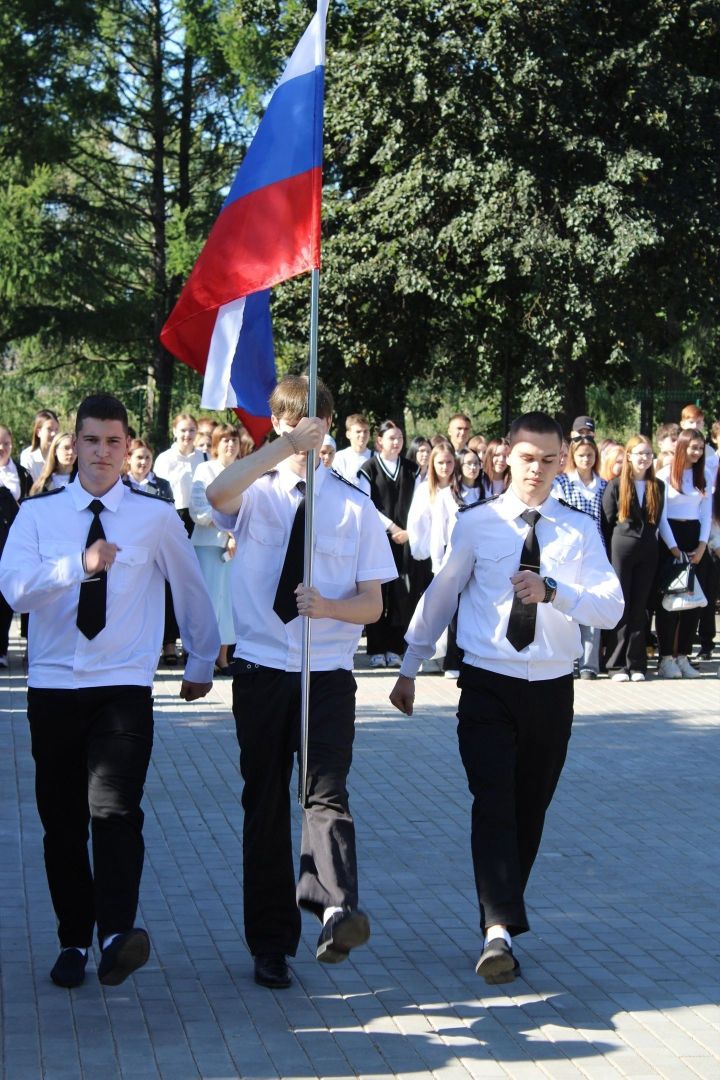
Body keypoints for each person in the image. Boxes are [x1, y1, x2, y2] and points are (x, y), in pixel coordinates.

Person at [389, 412, 622, 985]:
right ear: (505, 457)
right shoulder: (478, 524)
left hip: (551, 688)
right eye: (526, 458)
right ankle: (497, 929)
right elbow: (440, 596)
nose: (537, 470)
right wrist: (410, 667)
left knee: (529, 808)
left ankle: (501, 915)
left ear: (562, 460)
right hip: (487, 683)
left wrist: (557, 592)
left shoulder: (577, 528)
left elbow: (612, 607)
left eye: (548, 460)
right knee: (492, 799)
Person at [0, 394, 219, 990]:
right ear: (74, 444)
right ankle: (75, 938)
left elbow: (191, 589)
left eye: (114, 442)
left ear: (128, 448)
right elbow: (15, 590)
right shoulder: (38, 514)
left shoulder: (154, 516)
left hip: (122, 686)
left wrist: (202, 656)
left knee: (114, 809)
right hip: (52, 687)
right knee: (63, 822)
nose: (102, 452)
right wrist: (80, 563)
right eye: (91, 441)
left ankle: (118, 933)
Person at [206, 374, 396, 991]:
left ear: (329, 428)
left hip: (328, 673)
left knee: (325, 794)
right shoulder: (257, 492)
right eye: (289, 424)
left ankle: (336, 907)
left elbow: (373, 605)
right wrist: (281, 449)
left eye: (310, 423)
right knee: (264, 806)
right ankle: (270, 943)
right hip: (263, 669)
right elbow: (216, 491)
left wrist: (329, 608)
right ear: (280, 427)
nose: (301, 432)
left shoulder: (354, 503)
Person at [601, 436, 665, 681]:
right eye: (639, 453)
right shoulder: (616, 485)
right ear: (628, 456)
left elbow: (657, 520)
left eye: (648, 453)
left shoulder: (657, 486)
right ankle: (616, 665)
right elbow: (607, 521)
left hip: (648, 550)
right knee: (621, 605)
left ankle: (636, 663)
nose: (644, 458)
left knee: (640, 608)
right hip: (621, 550)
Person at [359, 420, 418, 668]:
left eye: (400, 438)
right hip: (379, 538)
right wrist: (392, 527)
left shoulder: (412, 468)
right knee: (378, 592)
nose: (397, 442)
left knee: (400, 594)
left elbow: (420, 503)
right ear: (379, 441)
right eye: (391, 438)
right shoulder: (368, 468)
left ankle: (395, 647)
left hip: (406, 539)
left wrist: (409, 531)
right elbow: (367, 502)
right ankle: (376, 647)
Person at [655, 429, 712, 678]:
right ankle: (666, 657)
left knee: (694, 603)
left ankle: (683, 656)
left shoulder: (705, 474)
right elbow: (661, 515)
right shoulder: (665, 474)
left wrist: (701, 546)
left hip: (695, 541)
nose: (697, 453)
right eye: (694, 448)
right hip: (671, 541)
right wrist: (674, 549)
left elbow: (705, 513)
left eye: (701, 448)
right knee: (669, 603)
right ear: (683, 447)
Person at [553, 435, 607, 678]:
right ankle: (569, 661)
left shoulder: (603, 485)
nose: (586, 459)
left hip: (595, 550)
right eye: (581, 455)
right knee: (567, 605)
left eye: (590, 455)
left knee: (591, 604)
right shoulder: (563, 482)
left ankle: (589, 664)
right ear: (573, 457)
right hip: (569, 551)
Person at [153, 413, 206, 663]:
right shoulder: (165, 459)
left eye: (192, 431)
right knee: (170, 583)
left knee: (194, 583)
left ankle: (192, 643)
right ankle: (168, 643)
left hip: (197, 522)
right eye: (183, 430)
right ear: (175, 431)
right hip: (172, 519)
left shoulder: (203, 458)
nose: (187, 435)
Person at [190, 423, 241, 674]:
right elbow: (199, 509)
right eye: (225, 440)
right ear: (215, 444)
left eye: (234, 440)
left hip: (236, 548)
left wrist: (237, 534)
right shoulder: (204, 469)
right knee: (208, 601)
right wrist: (228, 530)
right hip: (208, 545)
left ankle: (223, 657)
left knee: (229, 601)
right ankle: (203, 655)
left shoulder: (243, 471)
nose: (230, 445)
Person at [0, 424, 33, 665]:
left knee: (5, 594)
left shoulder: (21, 473)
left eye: (6, 443)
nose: (2, 448)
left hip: (12, 536)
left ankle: (1, 649)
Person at [20, 409, 60, 482]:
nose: (54, 434)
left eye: (56, 429)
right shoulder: (28, 456)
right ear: (38, 432)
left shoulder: (62, 454)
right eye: (49, 429)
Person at [331, 413, 372, 483]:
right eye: (358, 432)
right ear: (348, 434)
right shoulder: (340, 458)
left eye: (365, 431)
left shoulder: (377, 457)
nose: (362, 435)